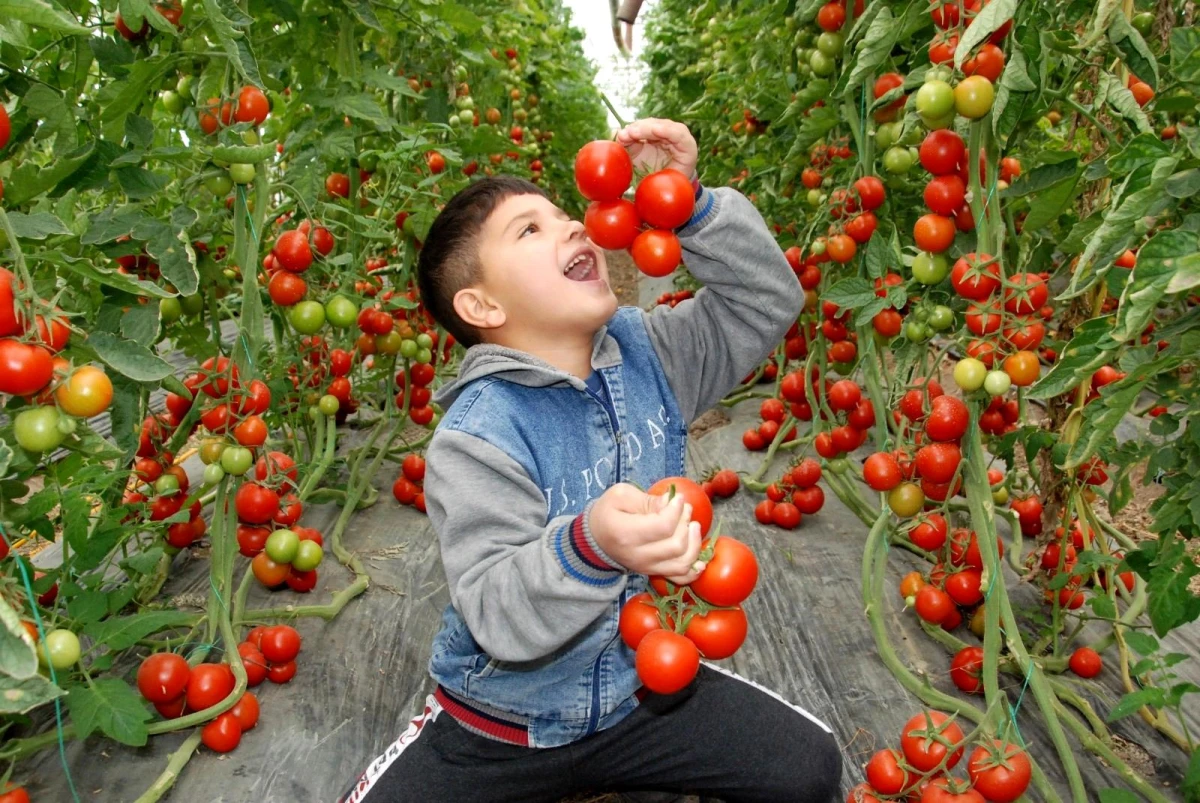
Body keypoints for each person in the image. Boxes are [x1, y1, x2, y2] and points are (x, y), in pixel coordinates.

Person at [339, 118, 842, 803]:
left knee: (808, 766)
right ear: (480, 304)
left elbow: (768, 300)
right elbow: (496, 610)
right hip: (504, 724)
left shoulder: (651, 352)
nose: (574, 226)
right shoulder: (476, 435)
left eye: (564, 213)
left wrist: (686, 201)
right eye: (530, 230)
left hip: (643, 694)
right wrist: (590, 544)